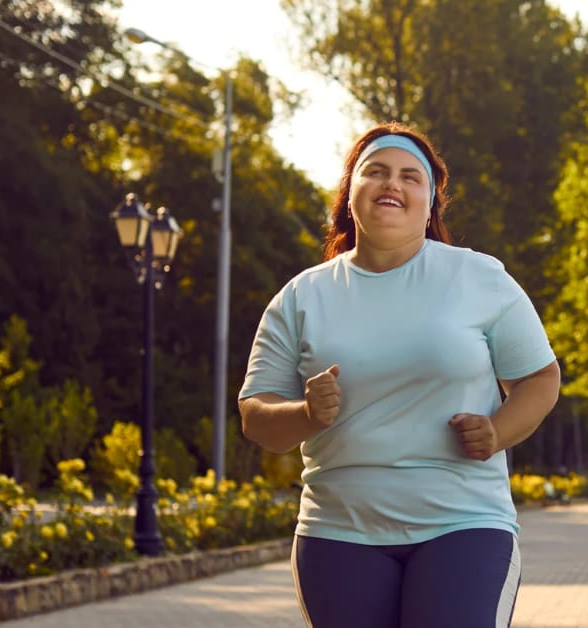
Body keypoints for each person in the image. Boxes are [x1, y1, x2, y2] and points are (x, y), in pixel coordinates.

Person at [237, 121, 560, 628]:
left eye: (412, 177)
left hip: (464, 525)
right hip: (338, 534)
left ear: (430, 204)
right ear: (350, 196)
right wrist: (304, 413)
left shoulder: (479, 278)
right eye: (377, 172)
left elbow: (540, 379)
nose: (394, 184)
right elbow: (256, 414)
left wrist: (498, 431)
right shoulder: (302, 297)